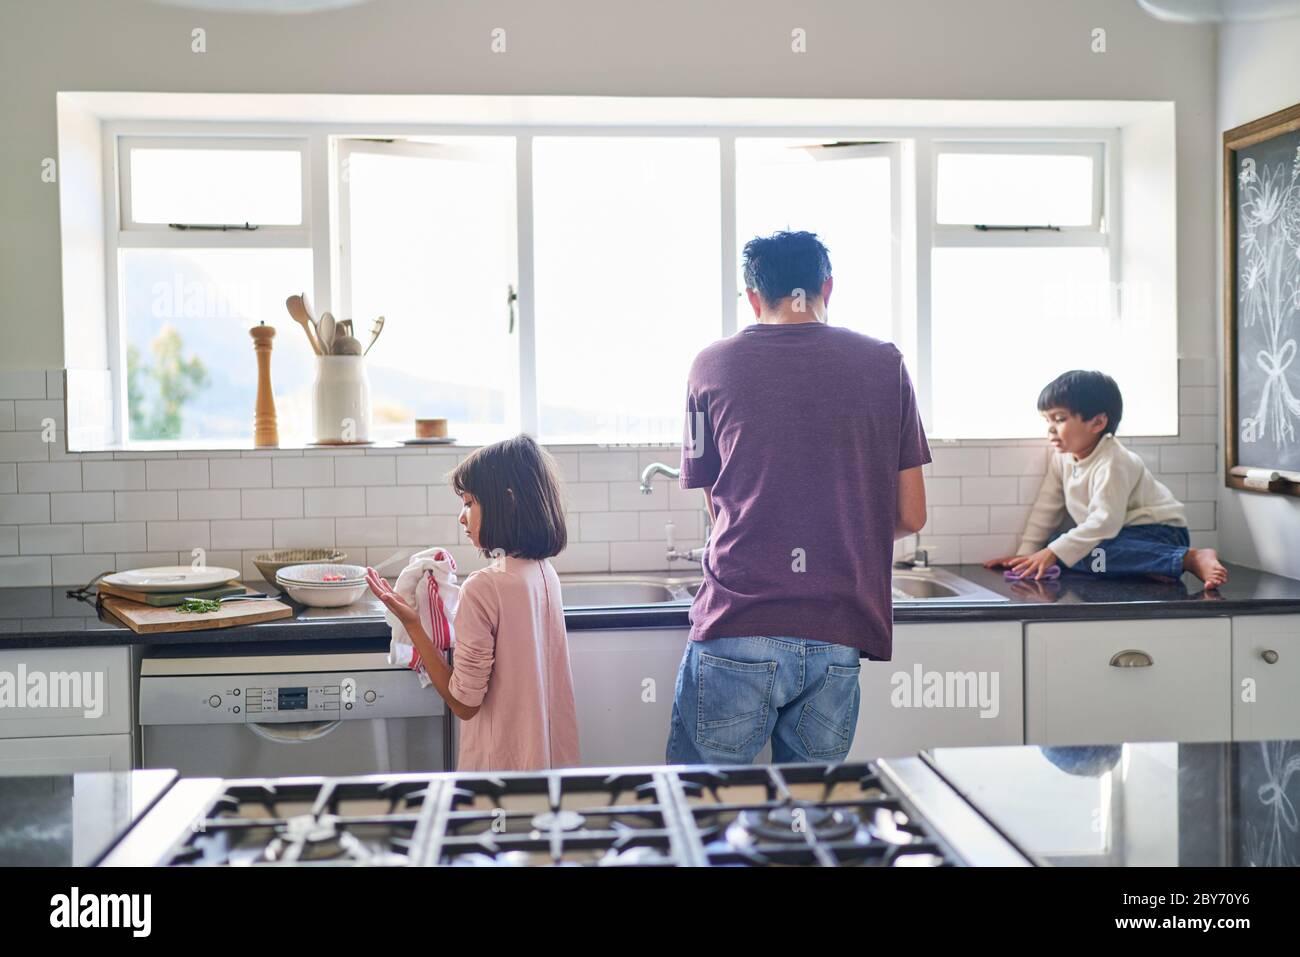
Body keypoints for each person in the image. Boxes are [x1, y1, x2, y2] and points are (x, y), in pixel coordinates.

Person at [666, 230, 931, 766]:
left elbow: (715, 504)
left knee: (702, 817)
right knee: (810, 825)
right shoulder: (885, 365)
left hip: (738, 624)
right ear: (826, 287)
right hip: (838, 634)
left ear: (752, 297)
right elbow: (911, 515)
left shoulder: (709, 367)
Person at [366, 434, 580, 771]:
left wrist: (413, 624)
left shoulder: (484, 586)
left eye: (469, 502)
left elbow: (464, 703)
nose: (461, 517)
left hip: (500, 774)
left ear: (506, 502)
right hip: (549, 769)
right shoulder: (542, 571)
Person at [984, 370, 1227, 588]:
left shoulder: (1114, 461)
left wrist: (1052, 553)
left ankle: (1189, 558)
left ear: (1098, 422)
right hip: (1116, 537)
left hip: (1158, 533)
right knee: (1060, 543)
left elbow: (1104, 522)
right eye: (1047, 420)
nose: (1050, 429)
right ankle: (1152, 566)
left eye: (1059, 419)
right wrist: (1026, 555)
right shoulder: (1063, 458)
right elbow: (1046, 508)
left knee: (1079, 550)